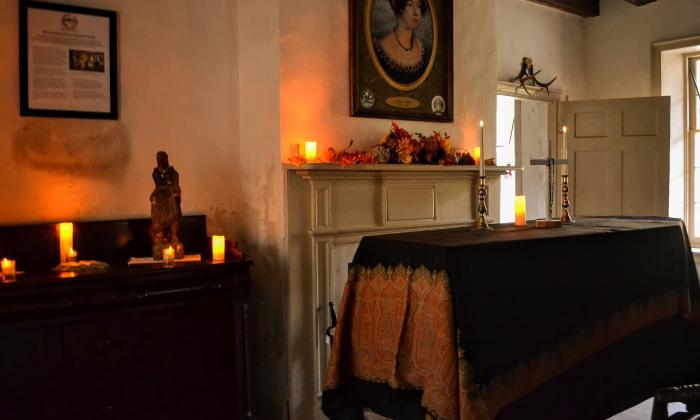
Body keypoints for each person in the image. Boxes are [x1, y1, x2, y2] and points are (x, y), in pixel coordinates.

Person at [374, 0, 430, 85]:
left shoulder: (422, 52)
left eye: (419, 6)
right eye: (409, 4)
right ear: (397, 6)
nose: (416, 13)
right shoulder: (380, 50)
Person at [150, 151, 183, 258]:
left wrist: (174, 191)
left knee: (173, 217)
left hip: (169, 197)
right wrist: (154, 194)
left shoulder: (172, 172)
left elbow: (175, 186)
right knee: (157, 218)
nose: (160, 161)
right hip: (160, 198)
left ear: (166, 159)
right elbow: (157, 187)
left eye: (162, 158)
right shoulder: (155, 173)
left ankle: (174, 237)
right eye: (158, 158)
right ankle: (160, 240)